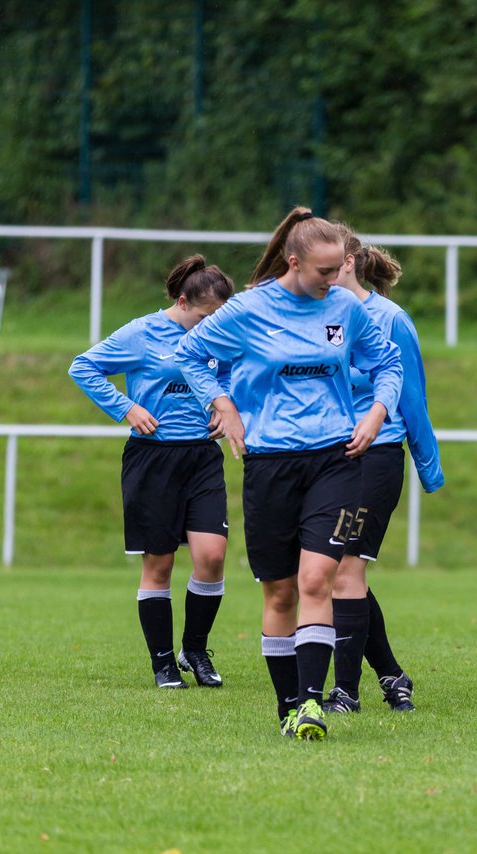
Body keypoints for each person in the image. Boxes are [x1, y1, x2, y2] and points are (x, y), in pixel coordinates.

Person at [174, 207, 403, 741]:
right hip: (270, 465)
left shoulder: (345, 307)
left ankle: (312, 704)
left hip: (337, 460)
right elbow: (190, 353)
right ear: (294, 262)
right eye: (323, 271)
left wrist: (376, 412)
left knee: (317, 579)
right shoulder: (249, 310)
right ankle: (289, 707)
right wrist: (221, 402)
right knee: (279, 594)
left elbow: (387, 362)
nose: (333, 280)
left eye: (339, 269)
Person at [69, 255, 234, 690]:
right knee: (159, 564)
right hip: (153, 459)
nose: (210, 327)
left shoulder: (218, 335)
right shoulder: (142, 333)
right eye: (204, 317)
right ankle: (163, 664)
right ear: (182, 302)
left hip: (201, 457)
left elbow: (235, 373)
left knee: (212, 556)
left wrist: (226, 407)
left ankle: (194, 650)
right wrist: (127, 407)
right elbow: (82, 367)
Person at [323, 226, 444, 715]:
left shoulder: (390, 319)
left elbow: (411, 396)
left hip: (375, 456)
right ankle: (392, 676)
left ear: (350, 261)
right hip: (323, 456)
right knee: (331, 571)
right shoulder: (316, 315)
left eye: (330, 265)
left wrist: (428, 467)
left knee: (347, 569)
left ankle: (345, 693)